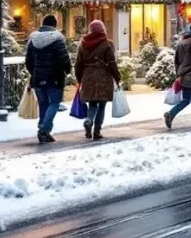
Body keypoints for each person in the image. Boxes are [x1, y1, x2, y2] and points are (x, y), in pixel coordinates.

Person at [24, 14, 71, 144]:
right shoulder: (57, 40)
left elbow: (28, 61)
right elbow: (64, 59)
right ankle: (44, 129)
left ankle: (44, 130)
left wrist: (34, 72)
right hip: (55, 77)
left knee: (43, 103)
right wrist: (67, 70)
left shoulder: (33, 40)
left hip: (38, 77)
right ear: (55, 25)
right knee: (54, 103)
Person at [74, 19, 122, 140]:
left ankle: (89, 120)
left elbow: (78, 64)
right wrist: (117, 77)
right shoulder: (107, 44)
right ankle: (97, 131)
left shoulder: (83, 44)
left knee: (92, 104)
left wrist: (79, 79)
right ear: (102, 30)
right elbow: (112, 63)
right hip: (103, 77)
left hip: (88, 76)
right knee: (101, 105)